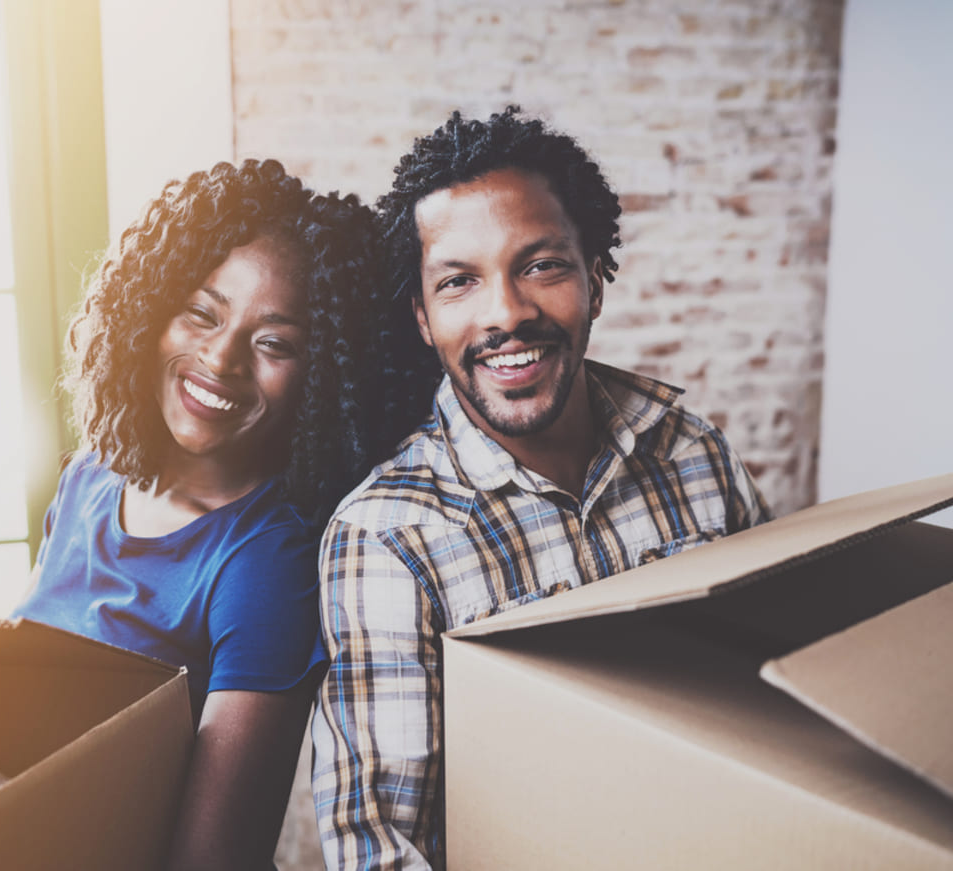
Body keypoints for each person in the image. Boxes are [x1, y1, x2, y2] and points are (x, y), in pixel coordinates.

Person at [310, 107, 771, 870]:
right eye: (459, 281)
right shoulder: (388, 537)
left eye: (541, 265)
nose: (507, 314)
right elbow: (380, 848)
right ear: (424, 319)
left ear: (594, 278)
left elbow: (782, 700)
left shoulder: (694, 454)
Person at [13, 159, 396, 870]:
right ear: (149, 308)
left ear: (321, 377)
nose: (221, 358)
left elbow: (211, 859)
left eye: (274, 341)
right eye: (201, 312)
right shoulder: (89, 477)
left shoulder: (267, 565)